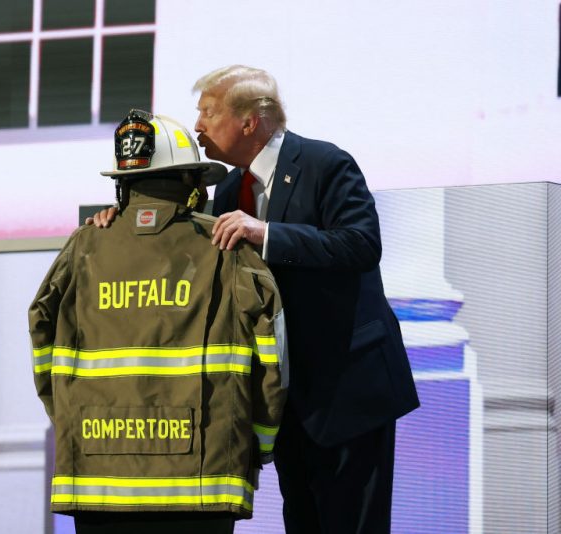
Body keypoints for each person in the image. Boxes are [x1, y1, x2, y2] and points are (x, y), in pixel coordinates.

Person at [92, 66, 420, 533]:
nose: (198, 127)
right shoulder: (226, 191)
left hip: (347, 390)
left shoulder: (326, 163)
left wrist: (267, 233)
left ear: (250, 121)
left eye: (208, 112)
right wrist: (116, 222)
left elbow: (362, 245)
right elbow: (180, 251)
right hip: (283, 397)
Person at [30, 110, 288, 534]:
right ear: (190, 183)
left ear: (123, 185)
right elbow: (272, 357)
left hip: (98, 479)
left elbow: (41, 332)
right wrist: (258, 442)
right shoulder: (229, 248)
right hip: (202, 483)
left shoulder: (83, 247)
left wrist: (71, 419)